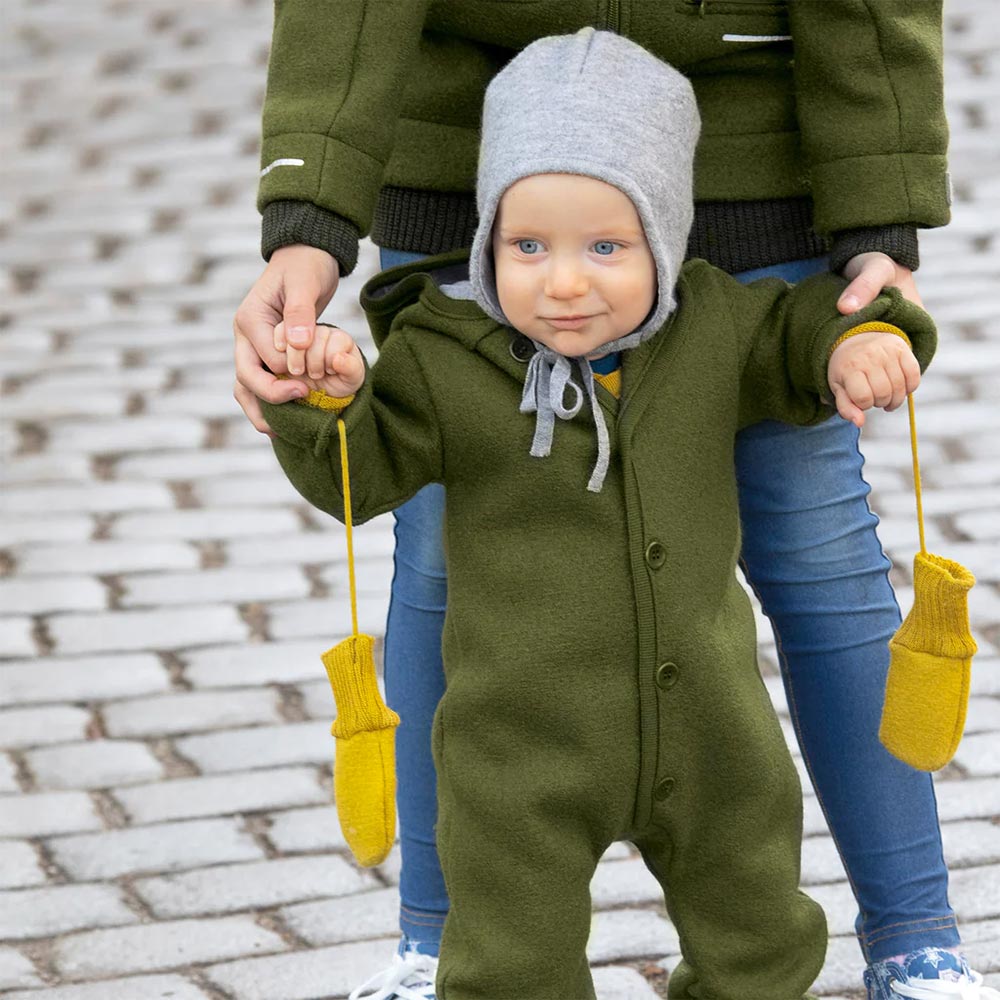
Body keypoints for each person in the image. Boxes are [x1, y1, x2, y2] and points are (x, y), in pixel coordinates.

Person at [233, 5, 988, 999]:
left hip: (749, 145)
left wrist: (877, 225)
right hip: (465, 145)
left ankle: (914, 939)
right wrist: (309, 222)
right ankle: (435, 943)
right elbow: (358, 457)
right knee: (438, 559)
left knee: (819, 551)